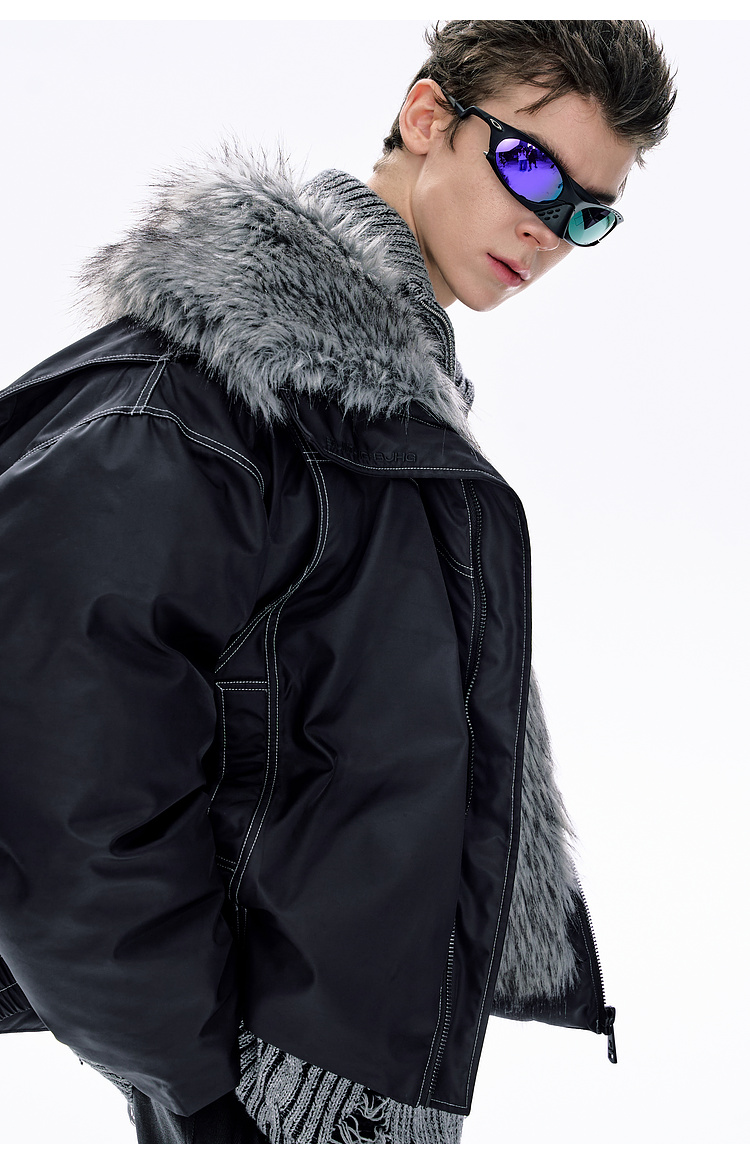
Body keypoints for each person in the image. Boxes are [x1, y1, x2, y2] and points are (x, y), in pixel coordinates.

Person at [0, 20, 675, 1146]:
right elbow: (65, 800)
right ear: (427, 118)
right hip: (266, 1084)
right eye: (529, 167)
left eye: (586, 214)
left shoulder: (375, 414)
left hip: (349, 1062)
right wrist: (200, 1092)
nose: (546, 230)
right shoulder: (188, 407)